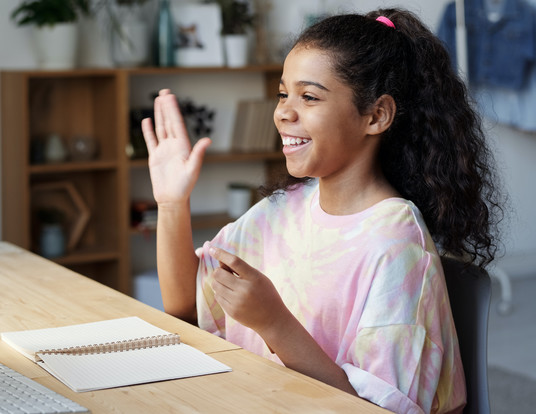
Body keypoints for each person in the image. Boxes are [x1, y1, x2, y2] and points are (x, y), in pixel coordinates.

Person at [141, 7, 503, 414]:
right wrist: (172, 203)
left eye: (309, 96)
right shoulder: (280, 211)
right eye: (283, 94)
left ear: (377, 115)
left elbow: (375, 410)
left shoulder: (397, 247)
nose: (283, 112)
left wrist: (274, 323)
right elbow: (185, 306)